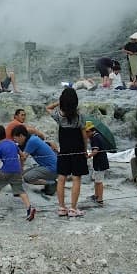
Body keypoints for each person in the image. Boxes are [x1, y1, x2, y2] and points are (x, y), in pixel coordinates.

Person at [46, 87, 90, 218]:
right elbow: (84, 135)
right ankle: (73, 209)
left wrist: (59, 103)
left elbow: (48, 108)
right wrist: (85, 149)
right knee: (76, 178)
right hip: (77, 150)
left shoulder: (59, 116)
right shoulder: (80, 117)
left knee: (61, 178)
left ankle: (61, 207)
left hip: (64, 150)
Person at [0, 125, 36, 221]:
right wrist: (21, 166)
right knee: (20, 190)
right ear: (5, 134)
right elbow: (22, 156)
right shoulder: (13, 143)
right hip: (17, 171)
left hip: (6, 171)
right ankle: (29, 208)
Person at [11, 124, 58, 196]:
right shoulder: (32, 138)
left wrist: (18, 172)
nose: (15, 141)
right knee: (23, 174)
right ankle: (50, 182)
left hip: (52, 168)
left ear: (21, 136)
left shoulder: (32, 141)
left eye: (15, 139)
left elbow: (23, 158)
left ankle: (51, 183)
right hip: (49, 166)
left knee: (27, 177)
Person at [85, 121, 111, 207]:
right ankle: (96, 195)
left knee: (99, 181)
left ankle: (100, 199)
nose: (86, 134)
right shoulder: (96, 136)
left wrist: (88, 156)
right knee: (96, 180)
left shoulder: (95, 138)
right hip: (98, 162)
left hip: (100, 162)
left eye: (86, 132)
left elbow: (95, 151)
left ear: (90, 131)